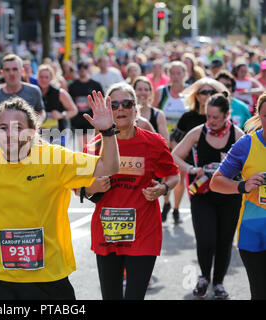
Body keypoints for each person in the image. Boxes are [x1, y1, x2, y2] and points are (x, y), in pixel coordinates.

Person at [0, 92, 120, 300]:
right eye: (4, 128)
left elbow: (109, 166)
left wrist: (107, 131)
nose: (10, 134)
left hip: (50, 278)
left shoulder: (54, 158)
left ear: (33, 131)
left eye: (18, 128)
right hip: (3, 279)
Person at [82, 82, 179, 300]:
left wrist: (162, 188)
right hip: (107, 231)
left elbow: (174, 175)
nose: (121, 109)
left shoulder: (153, 142)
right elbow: (79, 187)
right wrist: (93, 187)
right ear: (107, 111)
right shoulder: (95, 146)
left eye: (127, 103)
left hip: (144, 231)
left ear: (136, 109)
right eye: (114, 105)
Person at [172, 93, 244, 299]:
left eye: (215, 117)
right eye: (208, 116)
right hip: (202, 195)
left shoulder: (238, 136)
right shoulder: (198, 132)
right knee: (206, 240)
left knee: (223, 241)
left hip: (229, 197)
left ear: (226, 115)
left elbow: (249, 165)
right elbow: (175, 155)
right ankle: (204, 277)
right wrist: (192, 169)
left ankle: (219, 283)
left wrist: (236, 169)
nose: (210, 121)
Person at [209, 93, 266, 299]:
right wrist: (243, 185)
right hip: (254, 230)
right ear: (259, 116)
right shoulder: (246, 144)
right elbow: (216, 182)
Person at [168, 77, 228, 224]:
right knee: (201, 210)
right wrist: (185, 164)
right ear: (196, 95)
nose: (208, 95)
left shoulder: (225, 119)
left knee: (222, 213)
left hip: (221, 172)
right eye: (203, 92)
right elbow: (175, 139)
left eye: (211, 92)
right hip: (196, 172)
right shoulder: (188, 117)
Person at [153, 61, 188, 223]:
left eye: (178, 73)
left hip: (183, 141)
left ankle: (176, 208)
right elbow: (153, 113)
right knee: (167, 175)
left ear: (184, 74)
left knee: (180, 175)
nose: (175, 77)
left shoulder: (189, 92)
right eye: (172, 73)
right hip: (164, 139)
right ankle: (166, 203)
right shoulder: (161, 92)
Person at [0, 54, 46, 127]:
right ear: (2, 73)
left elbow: (41, 112)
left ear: (22, 71)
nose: (11, 73)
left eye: (15, 69)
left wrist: (35, 124)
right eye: (7, 70)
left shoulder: (34, 91)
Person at [37, 64, 78, 146]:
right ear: (37, 78)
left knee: (57, 158)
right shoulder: (34, 92)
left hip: (57, 135)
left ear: (51, 78)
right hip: (39, 136)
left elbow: (74, 110)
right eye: (41, 77)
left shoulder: (60, 93)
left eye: (46, 77)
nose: (43, 80)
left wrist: (61, 115)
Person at [68, 60, 104, 151]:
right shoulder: (73, 85)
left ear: (88, 69)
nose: (82, 70)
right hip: (78, 119)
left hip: (92, 119)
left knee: (90, 145)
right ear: (78, 70)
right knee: (82, 147)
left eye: (85, 67)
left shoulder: (95, 84)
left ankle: (90, 162)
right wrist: (75, 104)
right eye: (80, 67)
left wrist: (92, 104)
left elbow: (102, 100)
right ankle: (84, 162)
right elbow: (69, 102)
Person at [134, 76, 169, 143]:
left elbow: (166, 141)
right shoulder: (127, 113)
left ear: (150, 92)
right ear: (133, 91)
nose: (143, 92)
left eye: (146, 90)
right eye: (139, 89)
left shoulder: (158, 114)